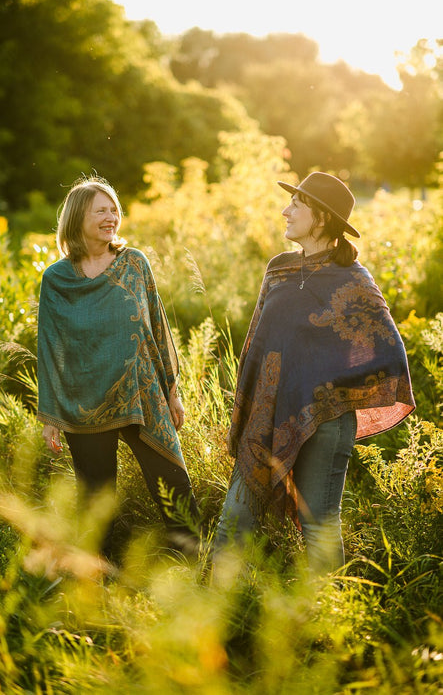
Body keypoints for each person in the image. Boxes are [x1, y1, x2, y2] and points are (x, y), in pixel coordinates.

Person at [214, 172, 415, 573]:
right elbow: (257, 344)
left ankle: (329, 622)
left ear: (321, 218)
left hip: (326, 421)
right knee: (234, 520)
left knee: (319, 527)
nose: (285, 211)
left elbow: (389, 352)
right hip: (268, 416)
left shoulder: (354, 280)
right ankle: (211, 615)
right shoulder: (278, 270)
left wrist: (329, 389)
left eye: (296, 205)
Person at [37, 176, 199, 562]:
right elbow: (50, 348)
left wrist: (171, 391)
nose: (112, 217)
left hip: (141, 394)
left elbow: (157, 328)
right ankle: (99, 585)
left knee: (172, 481)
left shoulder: (134, 264)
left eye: (114, 209)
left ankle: (197, 566)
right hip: (85, 402)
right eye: (101, 210)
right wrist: (51, 415)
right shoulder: (56, 279)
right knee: (96, 498)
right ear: (78, 219)